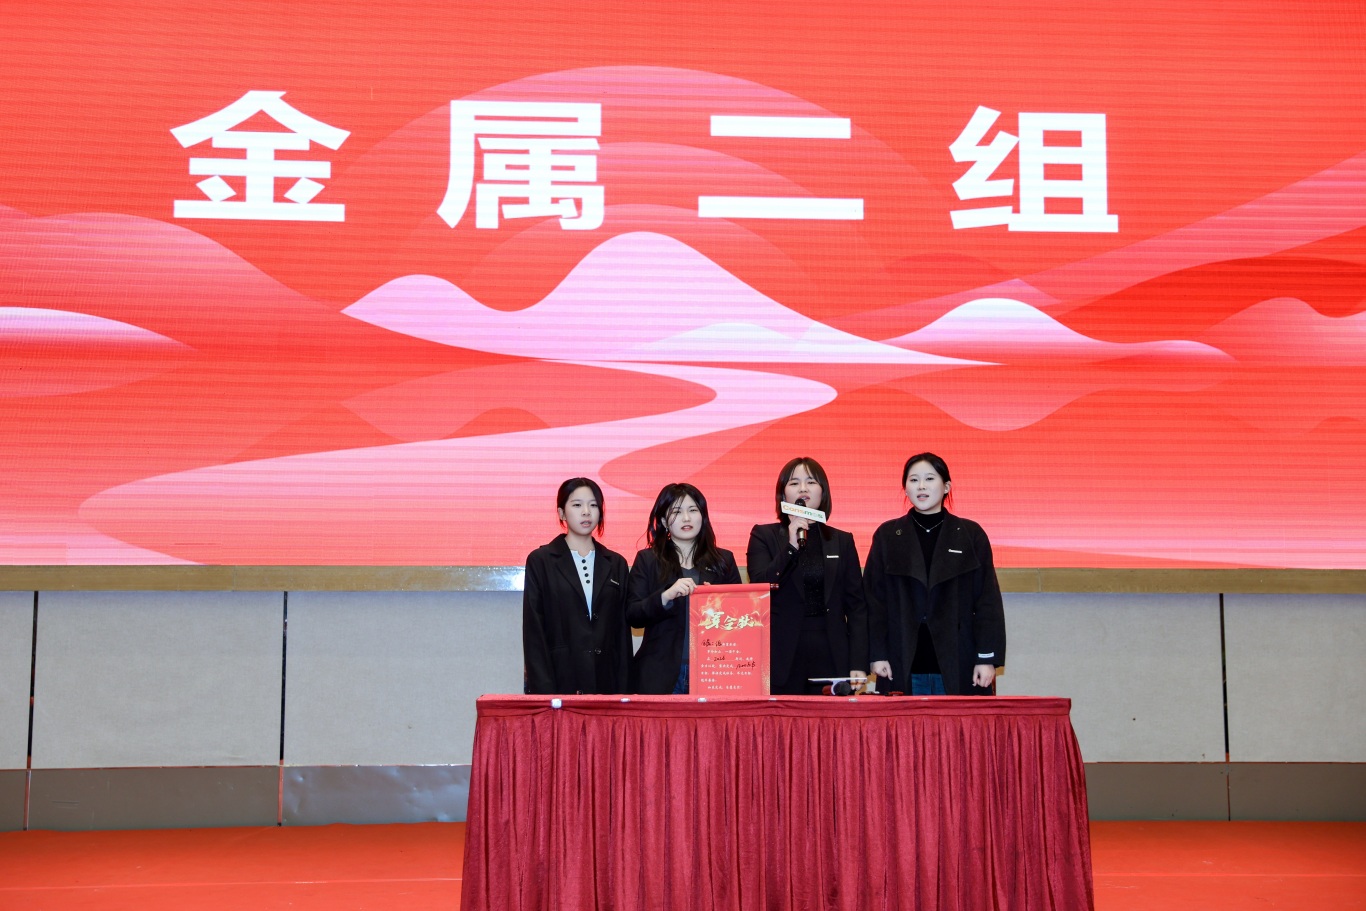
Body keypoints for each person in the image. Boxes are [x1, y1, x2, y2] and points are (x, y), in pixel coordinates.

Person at [865, 453, 1005, 695]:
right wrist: (877, 654)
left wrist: (986, 658)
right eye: (913, 480)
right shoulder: (887, 536)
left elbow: (987, 601)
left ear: (946, 486)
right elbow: (874, 601)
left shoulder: (970, 535)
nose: (921, 486)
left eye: (929, 478)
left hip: (960, 662)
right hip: (901, 662)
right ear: (905, 488)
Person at [746, 457, 868, 695]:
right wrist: (790, 547)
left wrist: (858, 662)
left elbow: (856, 606)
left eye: (811, 482)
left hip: (831, 652)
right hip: (781, 655)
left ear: (823, 491)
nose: (803, 488)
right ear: (783, 494)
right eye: (794, 483)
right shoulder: (763, 535)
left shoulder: (842, 541)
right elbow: (759, 587)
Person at [627, 482, 741, 694]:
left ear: (703, 516)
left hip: (714, 670)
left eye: (693, 510)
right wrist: (665, 596)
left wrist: (720, 603)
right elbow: (633, 614)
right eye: (677, 512)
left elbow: (742, 618)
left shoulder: (724, 560)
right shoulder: (648, 560)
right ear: (664, 521)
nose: (686, 518)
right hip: (661, 673)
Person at [522, 477, 631, 695]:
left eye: (593, 505)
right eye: (577, 505)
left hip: (606, 683)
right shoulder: (541, 561)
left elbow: (622, 635)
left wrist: (624, 690)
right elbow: (534, 632)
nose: (586, 512)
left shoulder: (616, 563)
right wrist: (544, 692)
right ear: (562, 513)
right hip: (560, 681)